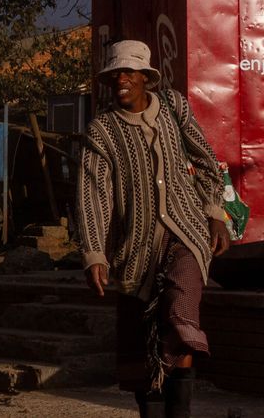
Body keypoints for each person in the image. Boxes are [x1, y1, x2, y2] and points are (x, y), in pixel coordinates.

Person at [77, 40, 231, 418]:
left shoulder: (174, 108)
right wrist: (94, 252)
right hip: (135, 249)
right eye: (115, 74)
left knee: (180, 311)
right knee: (141, 348)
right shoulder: (102, 131)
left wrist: (215, 213)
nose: (121, 80)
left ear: (147, 77)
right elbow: (93, 196)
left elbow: (206, 160)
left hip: (187, 232)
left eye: (129, 72)